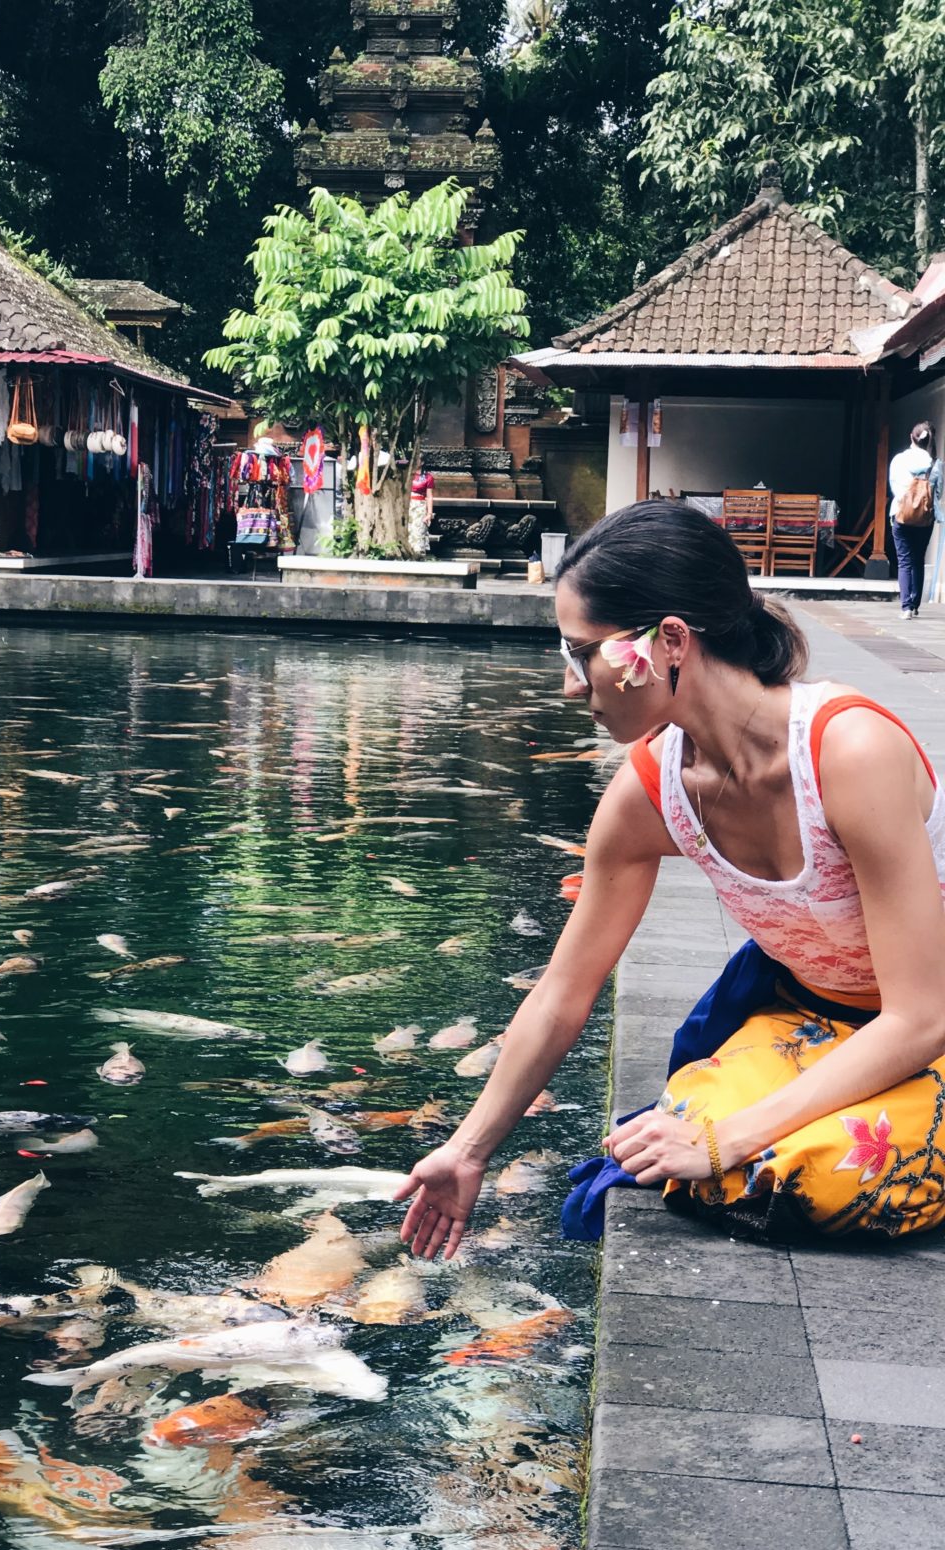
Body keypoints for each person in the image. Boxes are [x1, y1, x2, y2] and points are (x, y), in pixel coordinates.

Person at [396, 498, 945, 1256]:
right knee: (663, 1146)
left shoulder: (848, 753)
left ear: (671, 642)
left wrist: (729, 1140)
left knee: (819, 1177)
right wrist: (468, 1150)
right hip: (810, 1019)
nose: (569, 686)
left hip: (927, 1023)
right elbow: (563, 992)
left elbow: (921, 1016)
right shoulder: (650, 792)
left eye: (580, 652)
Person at [889, 422, 935, 619]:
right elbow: (937, 492)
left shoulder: (899, 460)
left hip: (901, 514)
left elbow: (894, 487)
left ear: (911, 437)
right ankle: (915, 605)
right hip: (925, 517)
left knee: (904, 561)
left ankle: (906, 607)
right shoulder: (933, 463)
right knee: (918, 559)